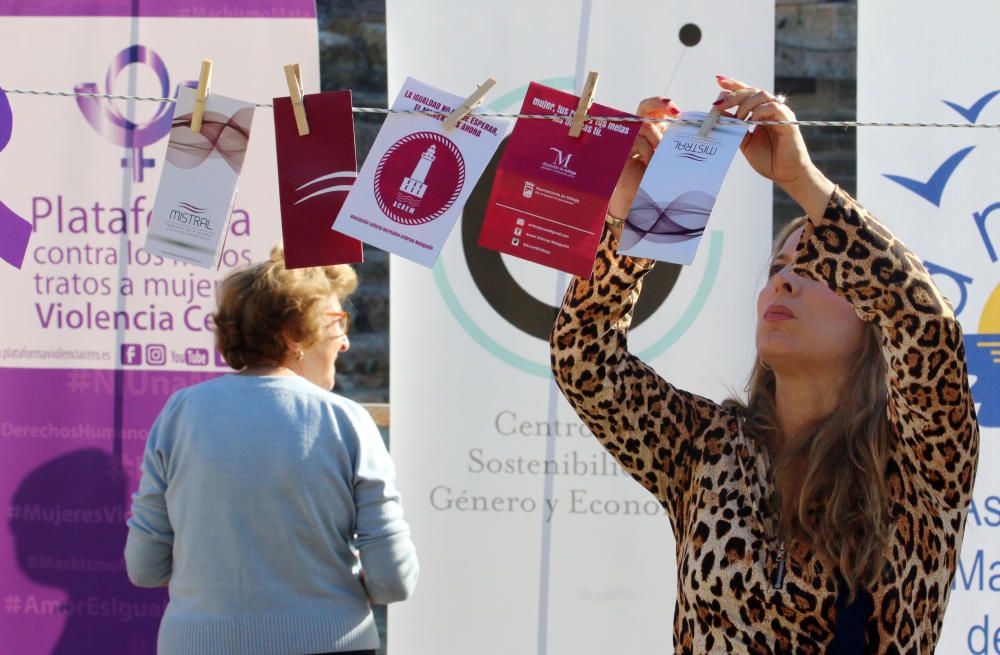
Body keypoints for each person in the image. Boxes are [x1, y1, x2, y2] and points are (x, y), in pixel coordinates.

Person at [550, 77, 979, 654]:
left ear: (873, 321)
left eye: (816, 269)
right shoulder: (706, 447)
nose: (785, 279)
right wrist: (635, 222)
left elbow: (927, 326)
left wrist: (801, 181)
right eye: (779, 266)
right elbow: (585, 357)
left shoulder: (919, 458)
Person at [125, 246, 418, 655]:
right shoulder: (346, 421)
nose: (346, 342)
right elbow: (394, 579)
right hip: (331, 642)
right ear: (294, 335)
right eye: (336, 323)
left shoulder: (179, 414)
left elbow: (144, 567)